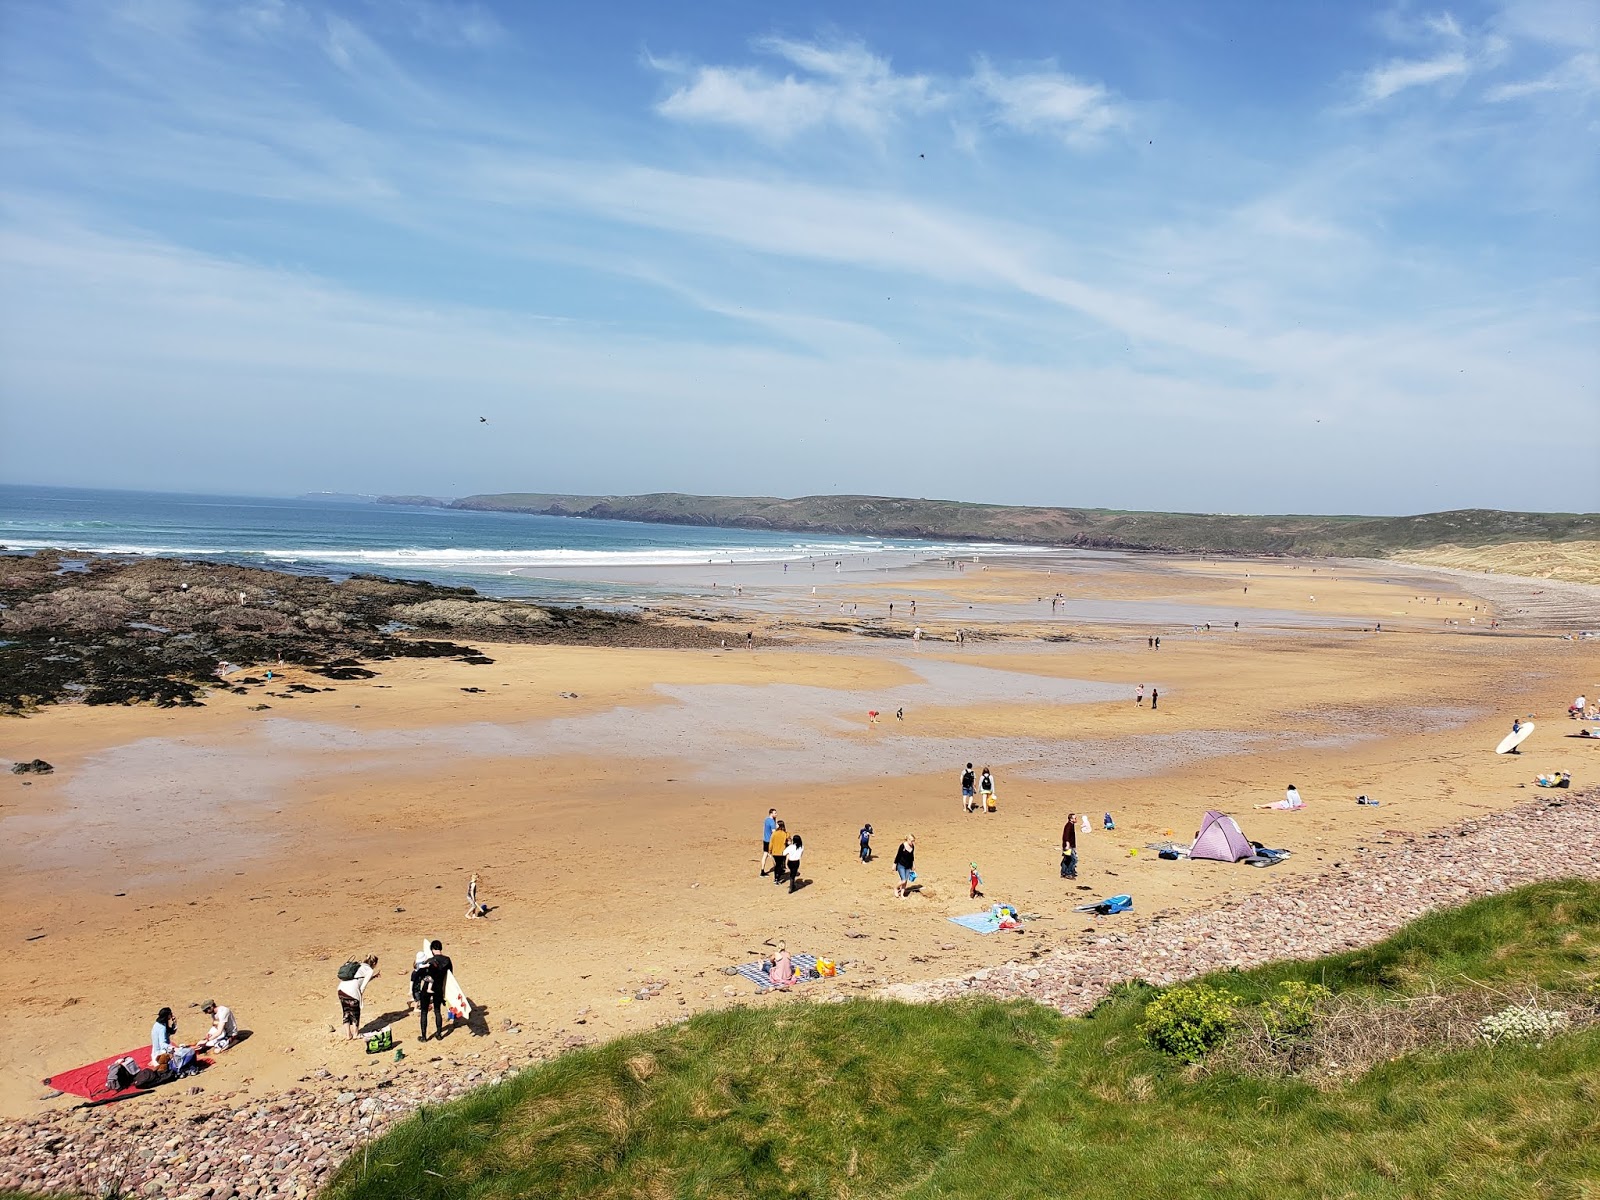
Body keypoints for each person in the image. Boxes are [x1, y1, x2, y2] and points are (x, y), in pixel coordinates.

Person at [419, 940, 454, 1042]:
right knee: (437, 1010)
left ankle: (424, 1037)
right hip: (438, 987)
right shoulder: (447, 960)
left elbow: (422, 976)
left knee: (424, 1012)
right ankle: (439, 1034)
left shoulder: (429, 961)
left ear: (432, 950)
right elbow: (450, 976)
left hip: (427, 988)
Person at [339, 955, 379, 1040]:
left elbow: (358, 979)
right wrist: (359, 996)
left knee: (346, 1012)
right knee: (355, 1013)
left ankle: (348, 1035)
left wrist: (374, 977)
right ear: (374, 963)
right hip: (352, 992)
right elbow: (363, 985)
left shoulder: (358, 965)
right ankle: (356, 1034)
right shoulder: (370, 970)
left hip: (341, 990)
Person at [769, 820, 789, 885]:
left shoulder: (774, 833)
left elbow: (771, 843)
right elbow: (789, 842)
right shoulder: (786, 833)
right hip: (782, 852)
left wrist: (770, 851)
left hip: (775, 852)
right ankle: (778, 877)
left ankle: (776, 878)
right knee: (780, 865)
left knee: (777, 865)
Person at [761, 808, 779, 876]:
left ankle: (762, 871)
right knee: (772, 855)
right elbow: (774, 832)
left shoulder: (767, 820)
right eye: (775, 813)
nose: (776, 814)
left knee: (765, 855)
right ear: (771, 814)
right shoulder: (772, 822)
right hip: (770, 841)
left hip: (765, 840)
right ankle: (777, 868)